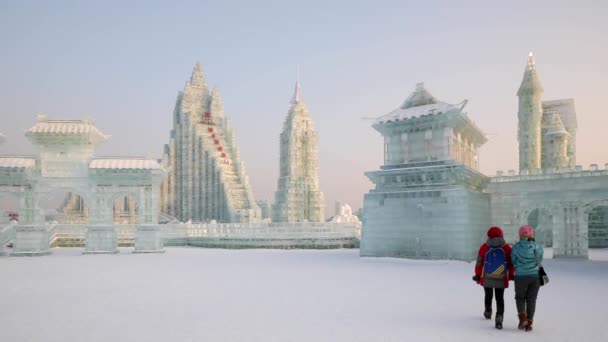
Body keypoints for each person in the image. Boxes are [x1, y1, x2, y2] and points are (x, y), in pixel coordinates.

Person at [473, 226, 514, 330]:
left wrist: (477, 275)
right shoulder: (506, 248)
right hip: (501, 276)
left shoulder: (484, 247)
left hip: (487, 276)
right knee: (500, 298)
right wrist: (511, 274)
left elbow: (479, 262)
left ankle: (488, 311)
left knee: (488, 294)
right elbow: (511, 263)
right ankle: (499, 318)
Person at [511, 225, 543, 332]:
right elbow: (540, 259)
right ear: (531, 234)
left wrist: (520, 266)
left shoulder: (516, 247)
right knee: (531, 300)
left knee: (520, 298)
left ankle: (522, 318)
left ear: (520, 235)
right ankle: (529, 324)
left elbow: (513, 261)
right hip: (535, 276)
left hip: (520, 276)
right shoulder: (537, 246)